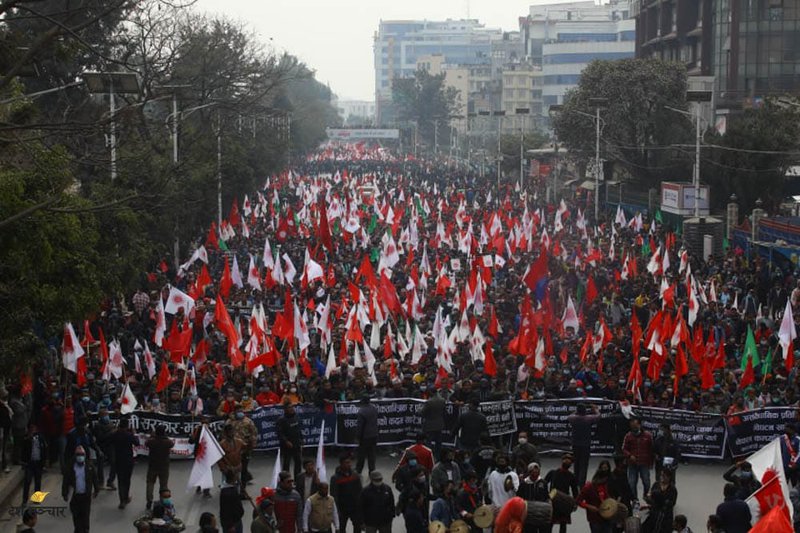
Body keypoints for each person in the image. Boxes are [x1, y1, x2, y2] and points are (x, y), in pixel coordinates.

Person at [61, 446, 100, 533]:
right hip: (76, 498)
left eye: (82, 455)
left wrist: (96, 490)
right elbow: (66, 480)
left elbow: (95, 478)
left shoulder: (89, 466)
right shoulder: (70, 466)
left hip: (86, 497)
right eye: (78, 455)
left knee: (85, 518)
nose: (80, 456)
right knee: (77, 519)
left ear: (85, 455)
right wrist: (65, 493)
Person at [567, 404, 601, 487]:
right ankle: (581, 483)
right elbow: (598, 416)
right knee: (584, 464)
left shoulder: (573, 418)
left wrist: (577, 411)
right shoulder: (588, 419)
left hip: (575, 443)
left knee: (577, 463)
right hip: (585, 444)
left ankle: (576, 480)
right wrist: (595, 409)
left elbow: (570, 415)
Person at [545, 453, 579, 533]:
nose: (567, 461)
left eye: (569, 460)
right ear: (562, 460)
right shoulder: (553, 472)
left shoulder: (571, 476)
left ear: (571, 464)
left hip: (564, 501)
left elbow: (575, 491)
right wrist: (546, 496)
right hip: (552, 500)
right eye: (566, 459)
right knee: (550, 522)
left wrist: (575, 503)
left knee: (563, 523)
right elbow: (544, 483)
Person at [622, 418, 653, 501]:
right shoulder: (628, 436)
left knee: (647, 482)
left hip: (644, 463)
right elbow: (624, 449)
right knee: (631, 483)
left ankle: (645, 495)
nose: (634, 428)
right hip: (632, 464)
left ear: (639, 425)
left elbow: (651, 450)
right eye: (632, 426)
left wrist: (651, 463)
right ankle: (635, 500)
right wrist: (629, 455)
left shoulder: (648, 435)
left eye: (635, 426)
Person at [145, 424, 174, 510]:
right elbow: (171, 443)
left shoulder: (152, 441)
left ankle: (149, 500)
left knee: (150, 483)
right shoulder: (167, 442)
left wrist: (152, 436)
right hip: (164, 466)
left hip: (153, 465)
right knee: (163, 485)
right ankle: (163, 501)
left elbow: (146, 443)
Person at [330, 455, 362, 533]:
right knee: (341, 528)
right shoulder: (335, 478)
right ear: (341, 464)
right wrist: (336, 510)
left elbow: (360, 491)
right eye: (347, 462)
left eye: (350, 462)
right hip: (342, 508)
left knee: (358, 526)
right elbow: (334, 495)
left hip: (354, 507)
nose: (349, 464)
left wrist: (360, 506)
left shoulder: (355, 475)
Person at [111, 419, 138, 509]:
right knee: (127, 480)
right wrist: (134, 434)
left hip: (118, 460)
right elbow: (137, 443)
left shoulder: (115, 434)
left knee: (120, 480)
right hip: (128, 460)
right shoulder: (129, 435)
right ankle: (125, 497)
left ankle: (122, 499)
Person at [516, 463, 550, 533]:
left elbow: (546, 496)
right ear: (529, 472)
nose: (535, 474)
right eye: (533, 472)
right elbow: (519, 496)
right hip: (528, 513)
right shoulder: (524, 483)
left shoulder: (543, 483)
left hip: (541, 512)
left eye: (536, 472)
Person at [576, 469, 611, 533]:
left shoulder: (604, 486)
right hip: (594, 518)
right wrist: (589, 506)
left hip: (606, 516)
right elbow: (578, 501)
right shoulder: (588, 487)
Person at [20, 423, 46, 506]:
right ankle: (24, 500)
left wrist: (43, 462)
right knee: (27, 481)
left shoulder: (40, 438)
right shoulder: (26, 438)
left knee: (38, 482)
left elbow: (44, 450)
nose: (33, 430)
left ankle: (37, 499)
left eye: (34, 428)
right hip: (29, 463)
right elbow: (23, 450)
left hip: (38, 463)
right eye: (31, 428)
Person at [232, 405, 257, 489]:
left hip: (245, 449)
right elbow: (224, 435)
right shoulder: (230, 422)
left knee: (244, 468)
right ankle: (233, 486)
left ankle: (243, 489)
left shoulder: (248, 421)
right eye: (238, 411)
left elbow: (254, 433)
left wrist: (252, 444)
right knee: (233, 469)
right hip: (233, 450)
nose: (240, 413)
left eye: (241, 411)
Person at [276, 402, 302, 480]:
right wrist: (286, 441)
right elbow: (280, 433)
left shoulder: (296, 417)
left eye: (292, 407)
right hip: (286, 445)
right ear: (285, 410)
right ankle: (286, 479)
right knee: (286, 463)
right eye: (289, 408)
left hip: (296, 443)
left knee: (298, 462)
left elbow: (299, 430)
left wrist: (302, 441)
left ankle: (297, 480)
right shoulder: (281, 419)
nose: (291, 409)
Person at [189, 417, 213, 498]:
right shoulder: (197, 430)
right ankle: (201, 488)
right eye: (204, 422)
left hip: (208, 454)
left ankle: (205, 490)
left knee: (207, 471)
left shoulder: (211, 430)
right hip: (200, 454)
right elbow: (191, 441)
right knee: (202, 471)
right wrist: (192, 436)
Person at [93, 407, 116, 490]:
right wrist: (111, 433)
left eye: (107, 414)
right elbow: (100, 437)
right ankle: (100, 482)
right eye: (104, 415)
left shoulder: (110, 423)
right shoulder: (97, 425)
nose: (106, 416)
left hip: (110, 446)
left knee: (114, 463)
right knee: (100, 466)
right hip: (101, 447)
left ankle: (110, 481)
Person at [355, 396, 378, 475]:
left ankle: (358, 470)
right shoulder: (374, 408)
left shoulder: (361, 412)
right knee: (372, 455)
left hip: (365, 436)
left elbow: (359, 426)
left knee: (361, 455)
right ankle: (372, 470)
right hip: (374, 435)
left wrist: (358, 437)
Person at [422, 388, 446, 458]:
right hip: (439, 424)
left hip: (430, 424)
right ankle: (438, 455)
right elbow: (444, 412)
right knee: (438, 441)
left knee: (428, 441)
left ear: (431, 393)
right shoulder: (442, 400)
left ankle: (428, 456)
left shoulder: (429, 402)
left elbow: (422, 412)